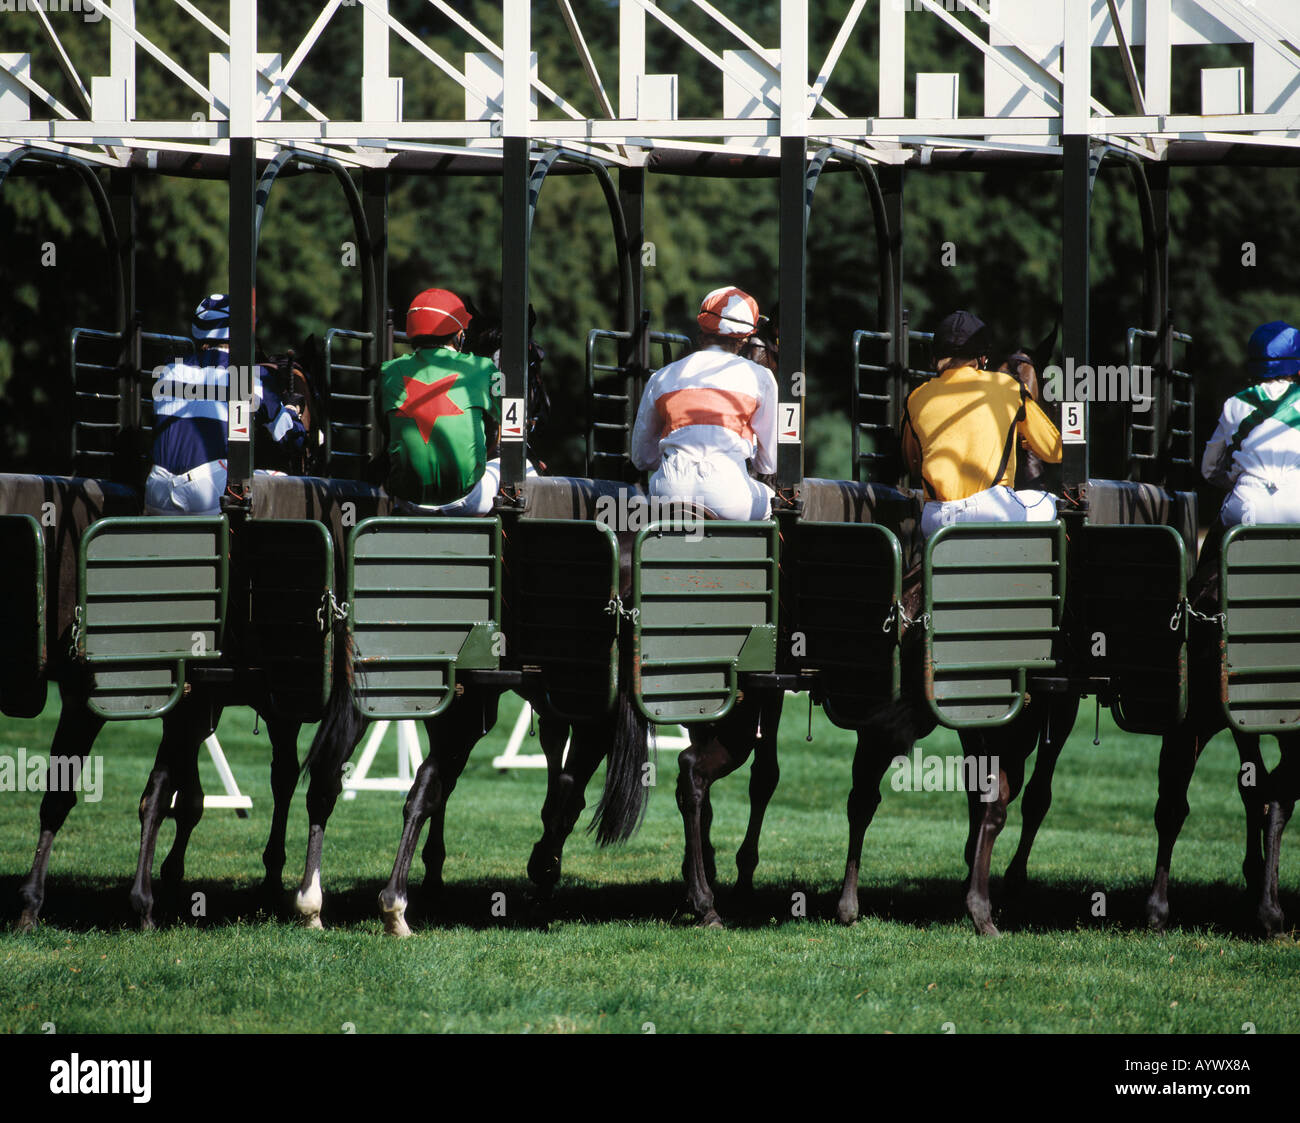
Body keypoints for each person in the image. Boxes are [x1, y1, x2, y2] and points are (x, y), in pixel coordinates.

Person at [901, 310, 1062, 538]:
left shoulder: (914, 398)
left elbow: (912, 461)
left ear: (935, 355)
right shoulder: (1009, 387)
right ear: (983, 359)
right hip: (993, 512)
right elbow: (1055, 452)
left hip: (936, 520)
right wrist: (1026, 442)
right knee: (1051, 503)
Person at [146, 293, 306, 516]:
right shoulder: (252, 377)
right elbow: (291, 439)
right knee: (286, 483)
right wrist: (291, 409)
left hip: (156, 491)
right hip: (205, 494)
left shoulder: (167, 371)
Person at [629, 285, 777, 520]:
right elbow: (768, 465)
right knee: (774, 501)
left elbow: (642, 457)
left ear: (701, 332)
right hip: (729, 498)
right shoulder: (761, 377)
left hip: (667, 496)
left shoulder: (662, 376)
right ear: (744, 339)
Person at [381, 288, 532, 515]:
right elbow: (512, 422)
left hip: (408, 502)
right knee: (527, 470)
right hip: (468, 499)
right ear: (458, 335)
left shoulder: (388, 372)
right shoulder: (482, 367)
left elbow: (387, 430)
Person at [1201, 320, 1300, 528]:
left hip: (1247, 508)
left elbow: (1209, 469)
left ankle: (1207, 562)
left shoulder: (1234, 404)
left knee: (1213, 550)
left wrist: (1235, 479)